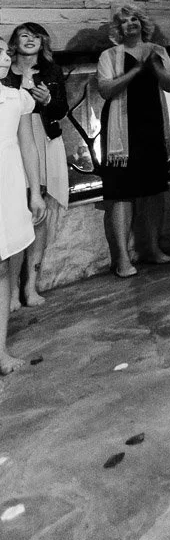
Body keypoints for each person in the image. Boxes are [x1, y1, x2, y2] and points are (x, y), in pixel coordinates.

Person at [97, 5, 170, 277]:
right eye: (123, 22)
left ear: (142, 23)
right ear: (118, 30)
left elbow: (169, 84)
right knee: (121, 194)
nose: (130, 24)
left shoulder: (158, 50)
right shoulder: (109, 55)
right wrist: (135, 71)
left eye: (134, 19)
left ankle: (152, 249)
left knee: (154, 191)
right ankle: (122, 259)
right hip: (120, 132)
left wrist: (152, 63)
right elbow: (106, 89)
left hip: (152, 126)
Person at [2, 23, 70, 309]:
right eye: (24, 36)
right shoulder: (4, 72)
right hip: (13, 146)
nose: (30, 40)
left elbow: (60, 112)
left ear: (43, 42)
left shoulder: (51, 72)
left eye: (36, 35)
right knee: (17, 212)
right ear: (13, 45)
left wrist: (49, 101)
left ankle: (30, 286)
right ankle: (11, 290)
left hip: (44, 141)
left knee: (39, 210)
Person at [0, 36, 46, 375]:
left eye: (6, 51)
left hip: (9, 189)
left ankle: (0, 354)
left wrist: (34, 192)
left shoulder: (17, 98)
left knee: (2, 269)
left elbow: (28, 146)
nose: (6, 56)